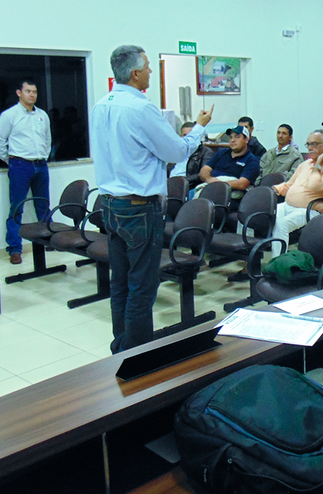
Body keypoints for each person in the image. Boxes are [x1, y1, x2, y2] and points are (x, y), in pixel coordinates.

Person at [91, 45, 212, 354]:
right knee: (142, 286)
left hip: (110, 205)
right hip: (138, 208)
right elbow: (178, 151)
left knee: (120, 282)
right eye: (147, 67)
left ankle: (122, 345)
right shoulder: (141, 108)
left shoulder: (101, 105)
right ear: (134, 73)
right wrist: (199, 127)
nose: (150, 72)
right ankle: (139, 357)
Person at [0, 79, 52, 265]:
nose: (32, 95)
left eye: (34, 91)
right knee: (17, 208)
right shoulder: (9, 115)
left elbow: (47, 139)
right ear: (19, 93)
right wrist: (10, 160)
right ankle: (15, 249)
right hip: (20, 166)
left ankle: (50, 240)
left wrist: (44, 155)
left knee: (43, 205)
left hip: (41, 165)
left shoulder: (42, 115)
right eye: (28, 91)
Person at [270, 130, 323, 256]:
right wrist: (272, 190)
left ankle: (277, 264)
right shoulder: (305, 165)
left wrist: (318, 164)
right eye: (308, 144)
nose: (310, 148)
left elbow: (315, 185)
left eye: (314, 144)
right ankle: (248, 255)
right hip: (287, 206)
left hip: (308, 211)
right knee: (258, 212)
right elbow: (289, 185)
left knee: (281, 224)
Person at [197, 125, 260, 209]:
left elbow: (242, 184)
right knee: (188, 196)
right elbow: (204, 170)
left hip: (230, 195)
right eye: (231, 137)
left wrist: (218, 183)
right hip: (210, 186)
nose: (233, 140)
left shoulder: (251, 160)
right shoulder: (221, 152)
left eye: (237, 137)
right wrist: (209, 179)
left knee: (203, 203)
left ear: (246, 140)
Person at [167, 121, 213, 187]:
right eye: (185, 135)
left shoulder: (205, 152)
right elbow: (168, 170)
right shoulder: (177, 150)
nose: (188, 139)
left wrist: (181, 181)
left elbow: (202, 175)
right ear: (180, 136)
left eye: (190, 135)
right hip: (170, 184)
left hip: (189, 185)